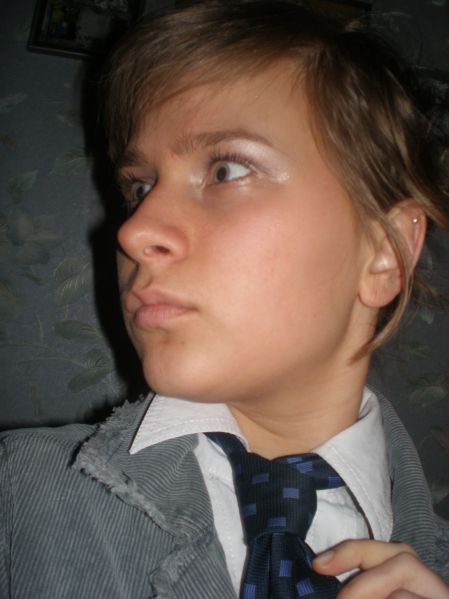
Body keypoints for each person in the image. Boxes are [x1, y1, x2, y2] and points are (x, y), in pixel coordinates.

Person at [1, 1, 449, 597]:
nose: (133, 231)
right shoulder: (15, 502)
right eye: (139, 187)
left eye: (226, 171)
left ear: (384, 252)